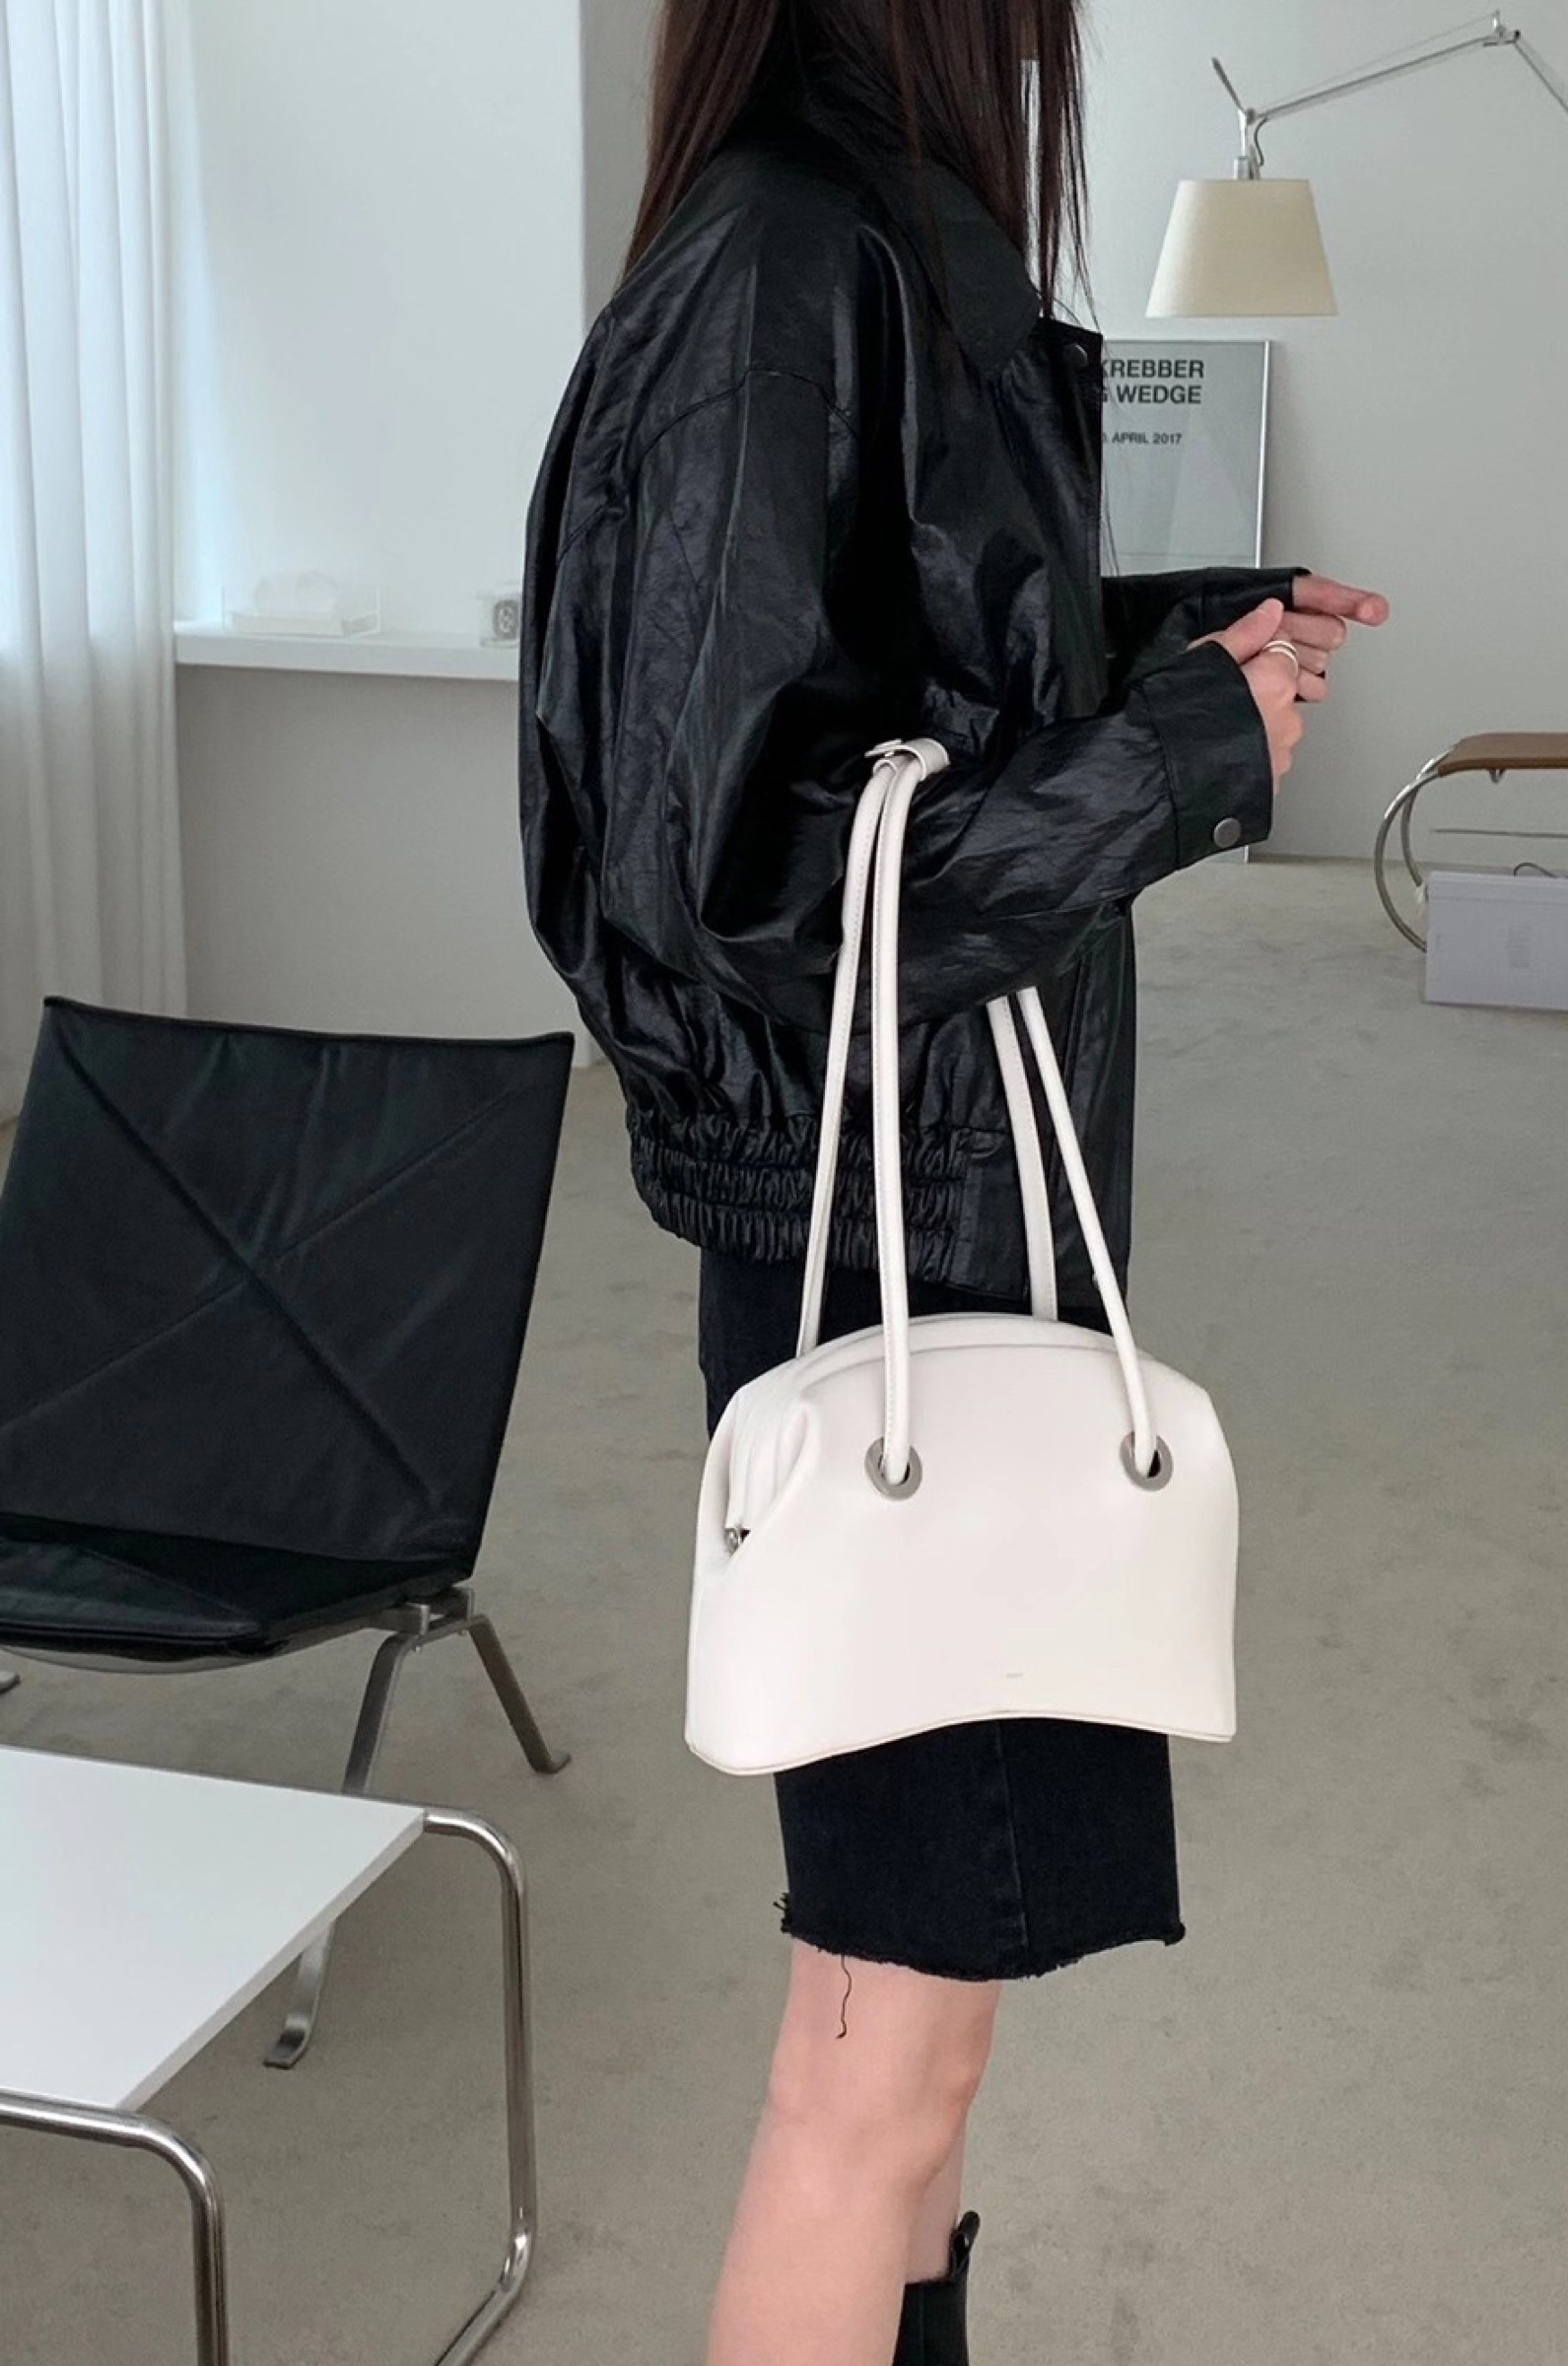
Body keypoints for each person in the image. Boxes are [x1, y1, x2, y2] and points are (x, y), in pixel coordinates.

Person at [519, 4, 1388, 2358]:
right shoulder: (778, 262)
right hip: (883, 1263)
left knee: (925, 2047)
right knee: (868, 2064)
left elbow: (906, 689)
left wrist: (1176, 658)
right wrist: (1172, 761)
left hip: (963, 1236)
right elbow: (731, 869)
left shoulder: (875, 238)